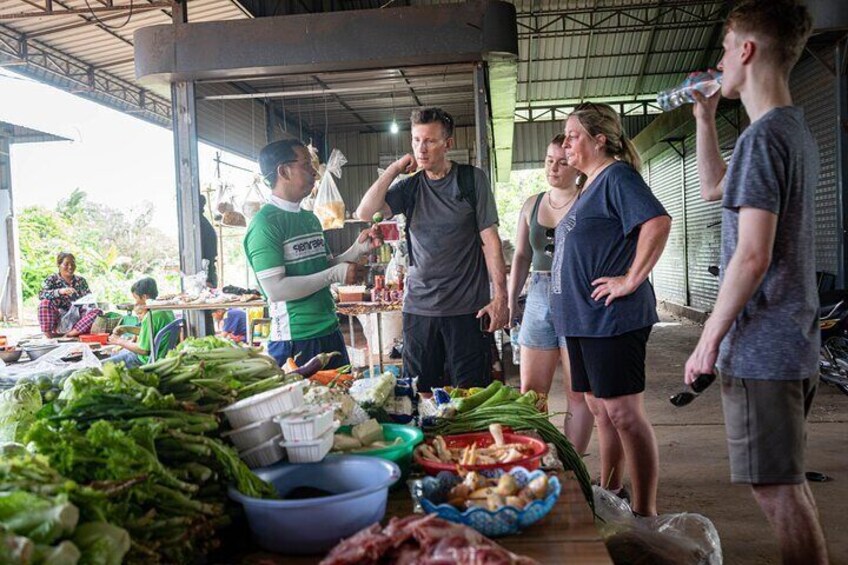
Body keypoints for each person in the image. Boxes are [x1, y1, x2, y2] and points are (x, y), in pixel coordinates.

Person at [686, 1, 828, 562]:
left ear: (745, 51)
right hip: (791, 338)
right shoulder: (784, 131)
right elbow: (712, 187)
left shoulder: (765, 138)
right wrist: (702, 119)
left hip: (764, 345)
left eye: (723, 49)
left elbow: (751, 256)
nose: (720, 61)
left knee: (775, 489)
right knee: (784, 482)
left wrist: (707, 339)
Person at [554, 102, 671, 516]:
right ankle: (610, 489)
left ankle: (645, 513)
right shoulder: (589, 184)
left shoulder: (617, 176)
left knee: (624, 413)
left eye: (573, 135)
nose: (566, 143)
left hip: (612, 318)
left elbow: (657, 222)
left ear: (599, 139)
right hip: (585, 319)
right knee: (601, 408)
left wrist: (631, 279)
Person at [356, 107, 508, 391]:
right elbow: (365, 211)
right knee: (420, 393)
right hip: (419, 310)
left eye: (430, 141)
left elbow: (490, 241)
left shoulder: (471, 181)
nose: (421, 149)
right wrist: (394, 169)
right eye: (416, 140)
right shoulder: (409, 188)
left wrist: (501, 298)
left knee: (469, 393)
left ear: (448, 144)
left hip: (467, 310)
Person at [244, 138, 382, 369]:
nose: (315, 174)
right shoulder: (264, 224)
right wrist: (333, 275)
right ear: (283, 171)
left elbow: (324, 266)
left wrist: (357, 249)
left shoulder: (309, 218)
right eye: (306, 165)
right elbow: (276, 289)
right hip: (296, 339)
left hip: (330, 329)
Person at [508, 134, 594, 456]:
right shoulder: (532, 203)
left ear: (576, 165)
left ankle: (573, 463)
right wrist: (511, 300)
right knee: (532, 392)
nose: (553, 168)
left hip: (576, 294)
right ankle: (540, 457)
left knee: (578, 391)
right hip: (538, 294)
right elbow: (520, 256)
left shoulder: (588, 199)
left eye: (561, 161)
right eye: (548, 160)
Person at [107, 277, 175, 368]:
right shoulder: (166, 310)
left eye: (136, 298)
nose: (136, 302)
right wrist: (126, 328)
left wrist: (119, 341)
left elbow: (143, 350)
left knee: (103, 366)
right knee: (117, 353)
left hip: (146, 361)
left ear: (144, 297)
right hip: (163, 356)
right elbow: (151, 333)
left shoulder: (150, 316)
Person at [38, 252, 102, 338]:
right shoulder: (52, 279)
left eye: (72, 264)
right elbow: (41, 294)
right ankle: (50, 336)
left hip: (77, 318)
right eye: (66, 264)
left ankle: (69, 334)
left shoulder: (80, 281)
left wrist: (88, 301)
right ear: (59, 265)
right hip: (58, 317)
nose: (70, 267)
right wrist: (60, 291)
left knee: (97, 311)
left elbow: (88, 297)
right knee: (44, 304)